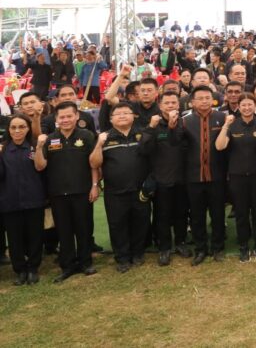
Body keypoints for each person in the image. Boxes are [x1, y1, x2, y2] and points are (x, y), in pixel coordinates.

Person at [34, 100, 100, 282]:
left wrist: (95, 185)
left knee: (84, 228)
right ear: (56, 119)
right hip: (57, 193)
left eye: (69, 116)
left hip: (82, 191)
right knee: (64, 231)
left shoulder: (86, 136)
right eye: (61, 117)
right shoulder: (49, 139)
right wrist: (38, 147)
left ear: (76, 116)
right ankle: (68, 265)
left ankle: (85, 263)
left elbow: (94, 164)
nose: (65, 120)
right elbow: (40, 166)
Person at [90, 102, 150, 273]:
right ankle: (122, 258)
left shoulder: (142, 134)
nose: (122, 116)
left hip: (140, 189)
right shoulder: (105, 137)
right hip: (115, 191)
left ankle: (138, 253)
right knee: (117, 224)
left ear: (133, 116)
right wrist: (99, 144)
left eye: (126, 112)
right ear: (111, 119)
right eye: (118, 113)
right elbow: (94, 163)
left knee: (141, 222)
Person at [215, 92, 256, 262]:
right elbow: (219, 146)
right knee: (241, 213)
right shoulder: (232, 125)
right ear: (238, 106)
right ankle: (243, 246)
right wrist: (226, 125)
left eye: (250, 104)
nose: (247, 108)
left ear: (255, 106)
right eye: (243, 105)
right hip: (237, 176)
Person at [180, 85, 228, 265]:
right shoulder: (185, 121)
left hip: (217, 175)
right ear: (192, 102)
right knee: (197, 215)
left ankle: (218, 247)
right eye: (200, 98)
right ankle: (200, 249)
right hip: (194, 176)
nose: (205, 101)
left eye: (208, 97)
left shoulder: (222, 118)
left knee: (218, 213)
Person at [140, 90, 190, 265]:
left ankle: (181, 242)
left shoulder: (184, 123)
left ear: (179, 105)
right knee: (162, 216)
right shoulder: (154, 124)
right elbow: (143, 150)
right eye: (166, 103)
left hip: (182, 178)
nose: (170, 106)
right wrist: (151, 128)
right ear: (160, 106)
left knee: (181, 213)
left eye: (173, 102)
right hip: (161, 179)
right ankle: (164, 248)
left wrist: (174, 126)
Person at [0, 114, 46, 285]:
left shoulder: (35, 147)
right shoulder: (3, 149)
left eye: (22, 127)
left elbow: (41, 168)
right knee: (14, 239)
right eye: (13, 127)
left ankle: (33, 268)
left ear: (28, 129)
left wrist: (39, 148)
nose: (17, 131)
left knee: (35, 236)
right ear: (8, 130)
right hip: (9, 201)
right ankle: (20, 270)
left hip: (34, 199)